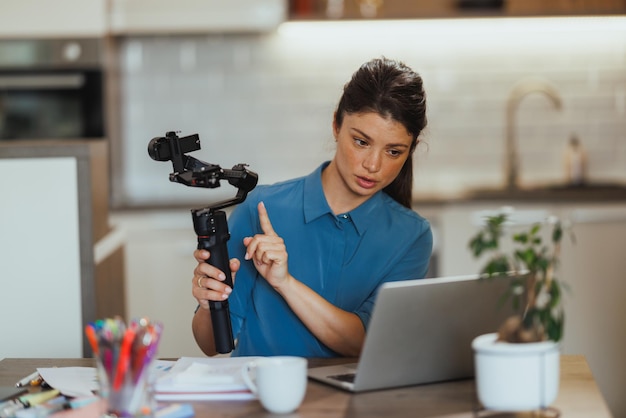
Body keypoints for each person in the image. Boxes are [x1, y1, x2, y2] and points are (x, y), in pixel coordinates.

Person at [191, 57, 433, 358]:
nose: (373, 165)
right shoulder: (261, 209)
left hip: (348, 404)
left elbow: (367, 342)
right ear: (336, 125)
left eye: (394, 151)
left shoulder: (411, 236)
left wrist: (285, 283)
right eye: (361, 142)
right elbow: (212, 345)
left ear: (411, 149)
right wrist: (208, 304)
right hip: (260, 399)